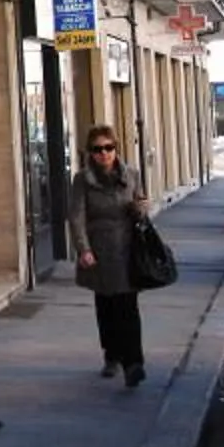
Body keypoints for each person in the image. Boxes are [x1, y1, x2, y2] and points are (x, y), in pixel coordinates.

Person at [68, 126, 150, 388]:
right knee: (106, 307)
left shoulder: (132, 175)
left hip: (127, 249)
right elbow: (77, 217)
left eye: (108, 148)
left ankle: (133, 364)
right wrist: (84, 249)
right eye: (97, 149)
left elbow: (142, 207)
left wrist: (141, 208)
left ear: (116, 149)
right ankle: (111, 355)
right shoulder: (82, 180)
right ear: (90, 153)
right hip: (99, 250)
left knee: (128, 307)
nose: (104, 154)